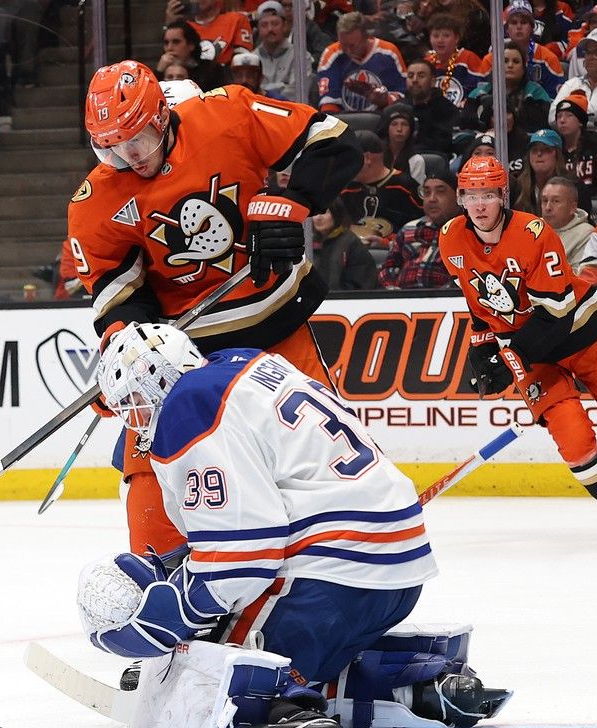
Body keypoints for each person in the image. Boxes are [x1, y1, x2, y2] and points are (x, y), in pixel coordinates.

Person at [76, 321, 509, 728]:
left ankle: (280, 712)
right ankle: (420, 685)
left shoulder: (188, 406)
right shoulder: (245, 364)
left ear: (156, 381)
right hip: (395, 571)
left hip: (329, 576)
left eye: (134, 403)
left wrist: (182, 609)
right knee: (307, 660)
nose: (137, 418)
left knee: (216, 664)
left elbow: (244, 554)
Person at [68, 60, 363, 556]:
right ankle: (160, 582)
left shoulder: (226, 114)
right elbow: (117, 291)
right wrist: (130, 345)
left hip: (274, 323)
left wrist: (291, 202)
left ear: (162, 116)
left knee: (323, 449)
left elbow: (334, 143)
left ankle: (347, 557)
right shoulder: (95, 200)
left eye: (136, 142)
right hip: (182, 353)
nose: (127, 158)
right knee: (151, 476)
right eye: (110, 147)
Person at [438, 155, 597, 538]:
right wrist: (481, 347)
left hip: (577, 332)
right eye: (471, 195)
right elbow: (478, 303)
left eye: (488, 194)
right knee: (569, 431)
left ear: (503, 195)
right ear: (460, 198)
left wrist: (511, 356)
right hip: (527, 346)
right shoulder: (450, 238)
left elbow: (557, 311)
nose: (479, 205)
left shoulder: (534, 233)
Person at [340, 129, 422, 249]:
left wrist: (387, 243)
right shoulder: (345, 189)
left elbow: (423, 227)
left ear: (367, 158)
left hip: (396, 254)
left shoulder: (405, 187)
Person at [314, 11, 407, 114]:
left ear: (366, 37)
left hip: (383, 120)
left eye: (352, 45)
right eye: (343, 45)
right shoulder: (331, 55)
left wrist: (384, 100)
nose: (348, 50)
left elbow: (402, 94)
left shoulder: (389, 53)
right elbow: (328, 105)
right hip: (344, 121)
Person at [379, 170, 457, 289]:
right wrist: (393, 291)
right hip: (402, 301)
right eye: (426, 192)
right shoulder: (409, 229)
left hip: (446, 302)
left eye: (440, 192)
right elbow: (388, 268)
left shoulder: (468, 232)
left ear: (458, 196)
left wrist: (444, 297)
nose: (432, 199)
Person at [311, 197, 378, 291]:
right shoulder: (306, 243)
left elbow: (361, 284)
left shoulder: (351, 243)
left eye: (325, 212)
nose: (318, 217)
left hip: (344, 301)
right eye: (315, 213)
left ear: (336, 214)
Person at [163, 0, 252, 67]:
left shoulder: (236, 19)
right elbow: (171, 59)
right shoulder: (184, 28)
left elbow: (243, 60)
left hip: (227, 81)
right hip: (191, 82)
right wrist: (170, 25)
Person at [551, 89, 597, 205]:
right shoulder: (554, 150)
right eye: (559, 117)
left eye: (569, 115)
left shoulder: (595, 147)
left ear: (580, 121)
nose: (562, 120)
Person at [510, 128, 570, 214]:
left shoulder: (572, 186)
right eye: (534, 150)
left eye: (545, 149)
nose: (539, 154)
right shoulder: (518, 187)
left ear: (557, 155)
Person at [157, 20, 227, 92]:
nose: (169, 48)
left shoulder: (211, 70)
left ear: (191, 45)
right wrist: (159, 72)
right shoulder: (161, 70)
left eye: (176, 42)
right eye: (166, 43)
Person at [540, 175, 593, 268]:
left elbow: (579, 276)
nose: (547, 207)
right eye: (544, 201)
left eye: (556, 201)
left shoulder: (585, 233)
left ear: (573, 207)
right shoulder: (532, 229)